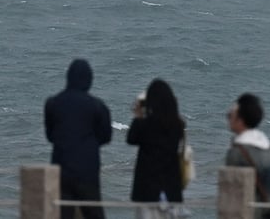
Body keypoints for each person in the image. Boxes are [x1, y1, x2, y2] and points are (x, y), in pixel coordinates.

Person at [44, 59, 113, 219]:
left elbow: (50, 136)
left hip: (61, 168)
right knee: (93, 212)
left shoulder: (53, 103)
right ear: (89, 79)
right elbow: (105, 137)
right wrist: (89, 144)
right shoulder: (98, 106)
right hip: (87, 170)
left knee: (63, 213)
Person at [127, 79, 186, 219]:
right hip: (171, 188)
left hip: (147, 189)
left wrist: (138, 115)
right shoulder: (178, 125)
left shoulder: (144, 125)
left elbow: (131, 139)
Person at [225, 93, 270, 219]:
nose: (228, 119)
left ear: (240, 120)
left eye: (230, 116)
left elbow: (232, 193)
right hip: (267, 213)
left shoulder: (237, 154)